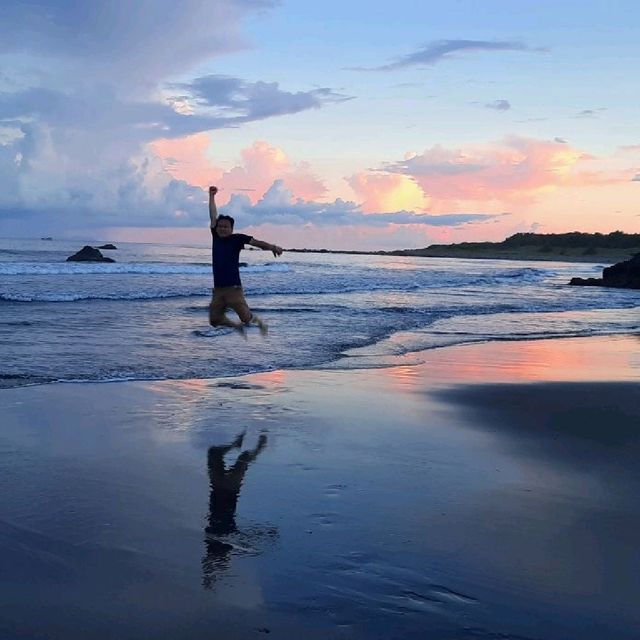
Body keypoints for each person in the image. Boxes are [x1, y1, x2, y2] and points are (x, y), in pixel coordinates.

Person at [208, 185, 283, 335]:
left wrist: (273, 247)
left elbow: (257, 243)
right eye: (220, 226)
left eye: (226, 227)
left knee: (245, 318)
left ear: (231, 229)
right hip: (218, 290)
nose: (222, 229)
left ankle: (259, 323)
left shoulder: (237, 239)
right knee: (214, 321)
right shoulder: (216, 237)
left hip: (234, 289)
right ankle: (236, 327)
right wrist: (211, 196)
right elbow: (212, 215)